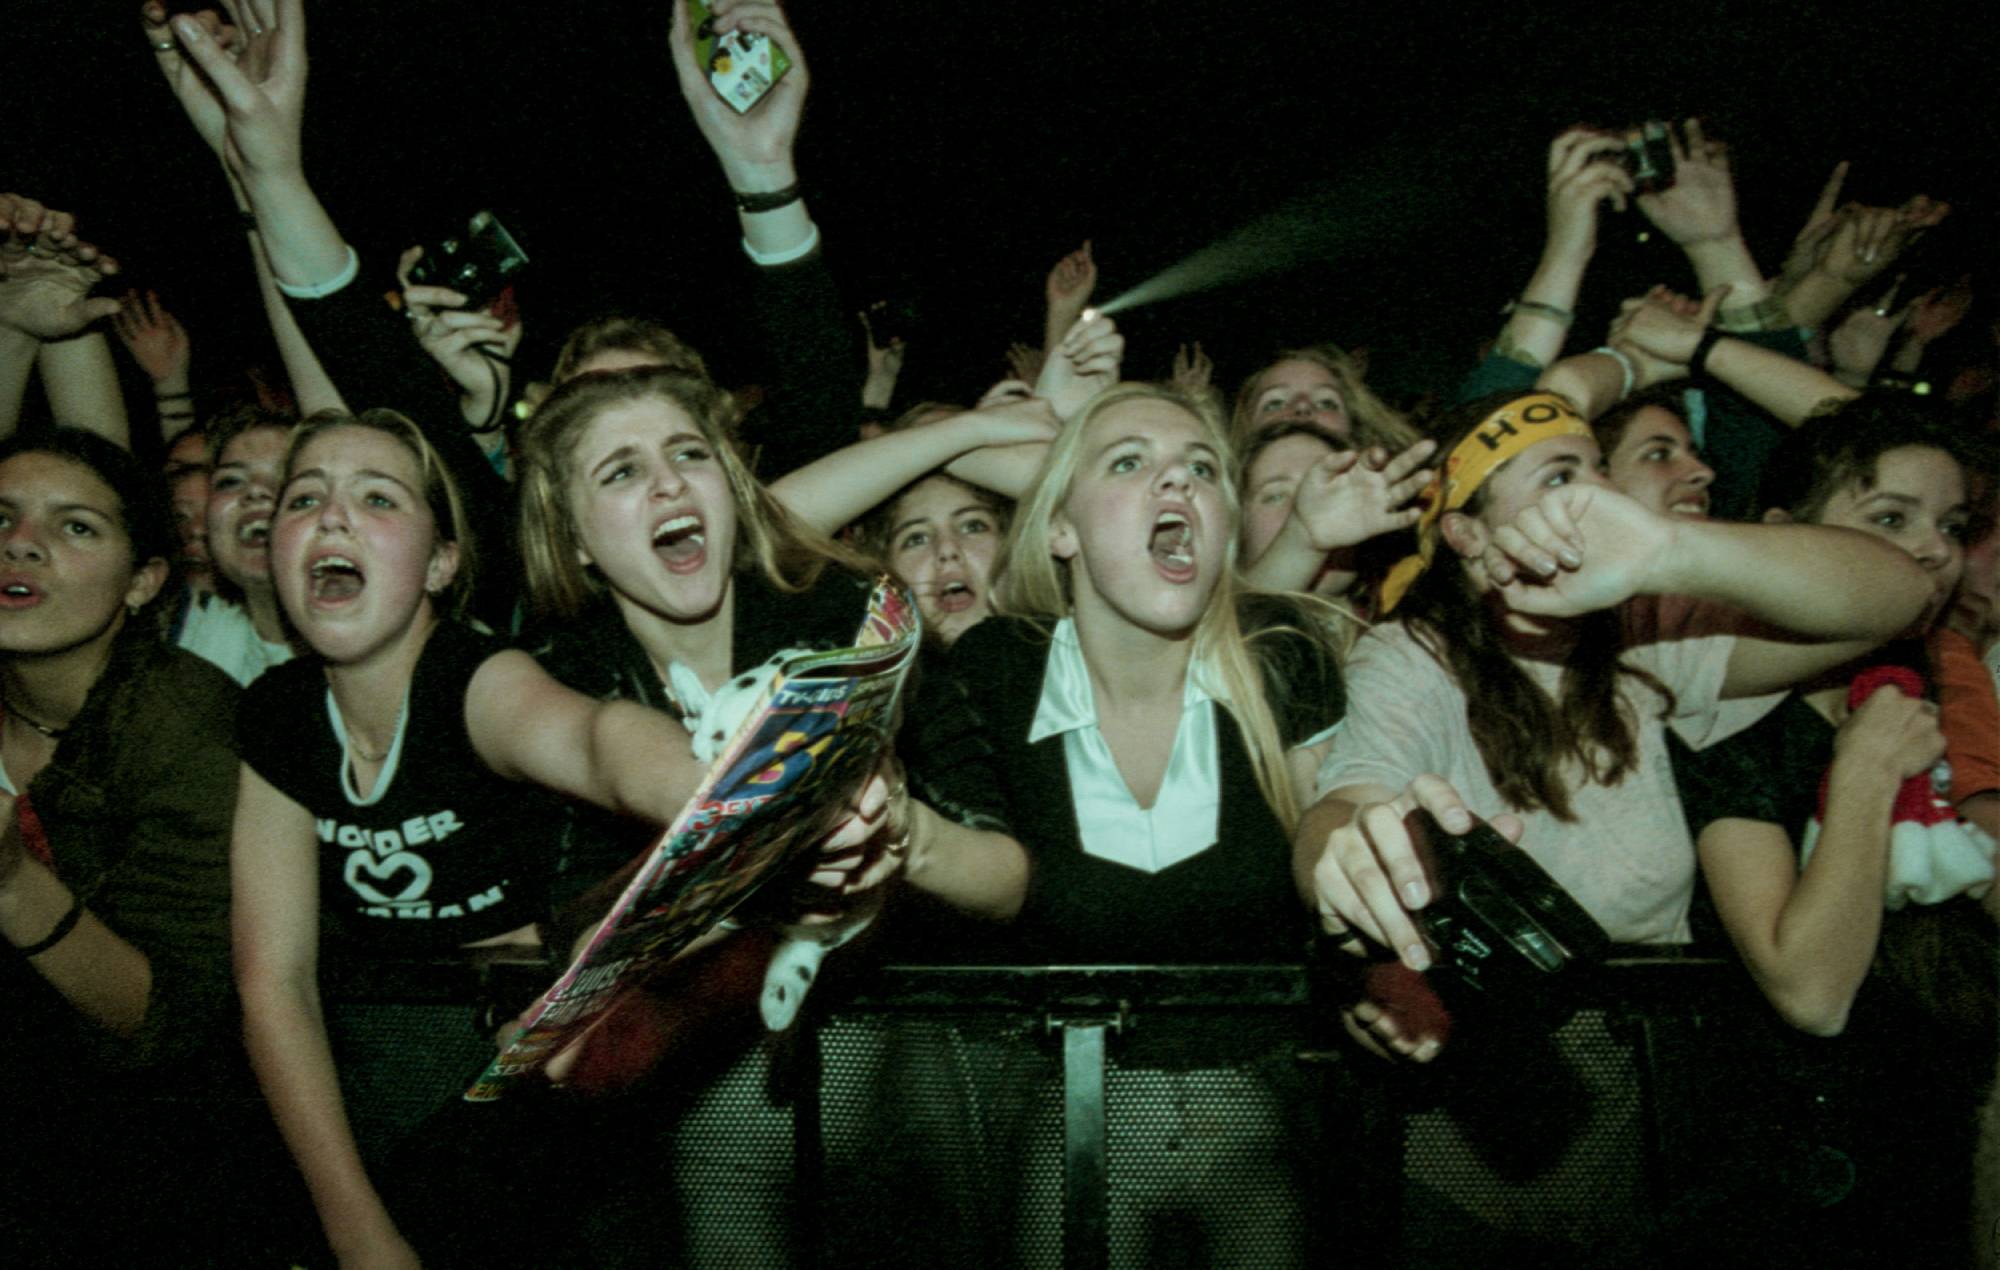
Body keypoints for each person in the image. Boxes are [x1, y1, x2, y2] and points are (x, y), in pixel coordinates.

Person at [1295, 376, 1933, 1060]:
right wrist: (1347, 860)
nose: (1598, 495)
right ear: (1465, 531)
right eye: (1561, 476)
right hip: (1483, 1072)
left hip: (1650, 1073)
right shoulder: (1411, 658)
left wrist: (1668, 549)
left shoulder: (1643, 639)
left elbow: (1901, 597)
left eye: (1601, 470)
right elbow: (1344, 808)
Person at [1667, 401, 1996, 1265]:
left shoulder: (1937, 699)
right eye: (1890, 519)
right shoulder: (1727, 720)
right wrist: (1863, 773)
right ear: (1788, 541)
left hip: (1925, 1182)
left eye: (1952, 525)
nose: (1932, 549)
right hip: (1777, 1200)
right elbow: (1809, 991)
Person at [0, 426, 290, 1263]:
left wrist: (12, 882)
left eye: (75, 527)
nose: (22, 543)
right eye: (3, 519)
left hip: (151, 1179)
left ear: (143, 582)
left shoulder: (184, 723)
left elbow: (165, 1018)